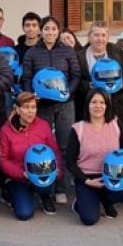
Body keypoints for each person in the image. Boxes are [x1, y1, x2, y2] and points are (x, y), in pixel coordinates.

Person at [20, 16, 81, 204]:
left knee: (63, 144)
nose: (50, 32)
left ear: (58, 31)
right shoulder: (31, 53)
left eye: (54, 29)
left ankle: (61, 186)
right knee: (43, 145)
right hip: (42, 105)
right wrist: (31, 94)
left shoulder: (67, 51)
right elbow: (26, 77)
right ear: (41, 31)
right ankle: (45, 187)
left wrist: (67, 92)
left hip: (64, 104)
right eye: (46, 29)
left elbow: (76, 75)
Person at [66, 88, 123, 225]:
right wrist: (87, 180)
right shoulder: (78, 128)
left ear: (107, 105)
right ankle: (81, 203)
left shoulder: (115, 124)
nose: (98, 106)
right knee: (89, 219)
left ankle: (107, 201)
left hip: (112, 175)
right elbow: (70, 162)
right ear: (87, 104)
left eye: (102, 102)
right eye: (94, 102)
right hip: (87, 178)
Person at [0, 92, 62, 219]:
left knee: (47, 182)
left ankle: (45, 195)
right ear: (17, 109)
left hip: (43, 172)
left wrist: (57, 171)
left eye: (33, 107)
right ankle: (11, 194)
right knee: (24, 214)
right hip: (19, 176)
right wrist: (21, 173)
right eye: (26, 107)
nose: (30, 111)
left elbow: (54, 150)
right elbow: (3, 159)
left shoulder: (43, 125)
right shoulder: (5, 130)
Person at [75, 21, 123, 124]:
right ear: (89, 37)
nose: (100, 39)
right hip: (91, 108)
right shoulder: (79, 56)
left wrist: (121, 84)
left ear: (108, 37)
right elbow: (76, 79)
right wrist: (87, 86)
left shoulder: (117, 52)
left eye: (103, 35)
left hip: (118, 106)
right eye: (96, 35)